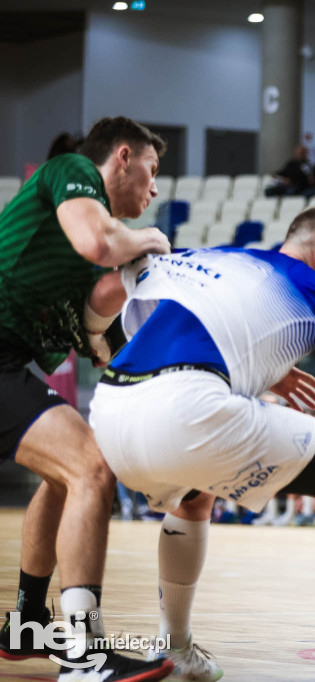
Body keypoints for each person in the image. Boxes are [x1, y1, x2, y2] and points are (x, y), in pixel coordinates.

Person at [88, 206, 315, 681]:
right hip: (187, 411)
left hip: (110, 410)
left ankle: (173, 647)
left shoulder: (221, 256)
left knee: (193, 495)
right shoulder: (313, 289)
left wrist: (91, 334)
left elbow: (112, 288)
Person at [0, 117, 174, 681]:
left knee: (67, 473)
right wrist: (153, 240)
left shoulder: (85, 271)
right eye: (151, 170)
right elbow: (99, 240)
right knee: (90, 469)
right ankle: (84, 651)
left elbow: (102, 336)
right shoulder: (72, 170)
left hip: (4, 360)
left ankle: (26, 622)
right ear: (122, 157)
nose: (153, 190)